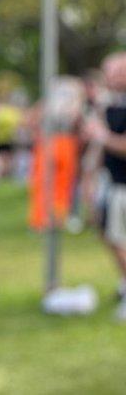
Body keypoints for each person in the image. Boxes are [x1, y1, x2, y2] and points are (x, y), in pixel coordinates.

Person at [84, 53, 126, 321]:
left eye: (115, 71)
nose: (109, 76)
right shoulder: (111, 105)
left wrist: (102, 135)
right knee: (110, 236)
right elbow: (98, 150)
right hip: (112, 183)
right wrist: (89, 179)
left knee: (121, 241)